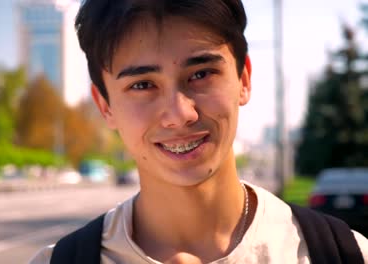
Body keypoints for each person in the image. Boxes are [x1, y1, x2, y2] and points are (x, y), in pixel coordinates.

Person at [30, 0, 368, 263]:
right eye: (143, 84)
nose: (180, 114)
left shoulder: (342, 254)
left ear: (244, 79)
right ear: (105, 106)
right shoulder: (61, 261)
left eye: (201, 74)